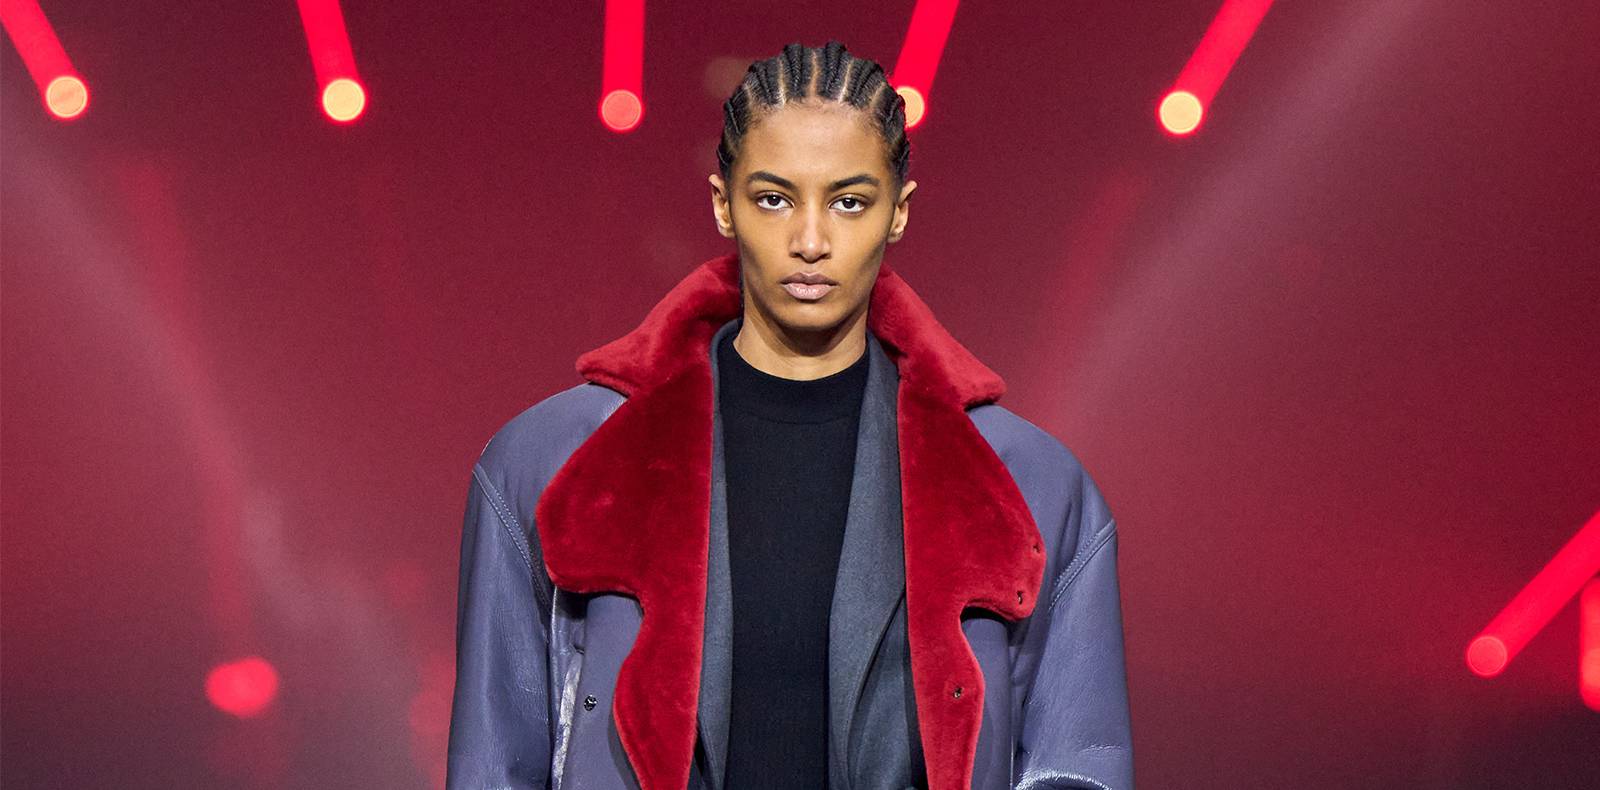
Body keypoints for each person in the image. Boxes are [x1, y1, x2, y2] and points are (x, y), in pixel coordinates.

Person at [446, 41, 1132, 790]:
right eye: (774, 198)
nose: (810, 242)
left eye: (849, 202)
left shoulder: (1030, 487)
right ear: (723, 203)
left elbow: (1078, 765)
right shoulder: (550, 464)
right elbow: (492, 763)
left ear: (899, 212)